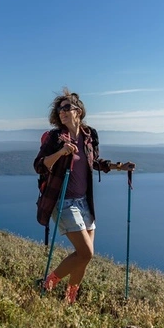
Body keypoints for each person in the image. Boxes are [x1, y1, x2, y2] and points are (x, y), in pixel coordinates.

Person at [34, 88, 134, 303]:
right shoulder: (55, 137)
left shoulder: (89, 135)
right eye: (59, 109)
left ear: (78, 111)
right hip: (63, 202)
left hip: (84, 202)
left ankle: (70, 300)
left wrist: (119, 166)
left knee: (83, 258)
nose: (62, 112)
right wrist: (61, 152)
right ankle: (48, 283)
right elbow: (39, 166)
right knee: (86, 253)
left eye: (66, 107)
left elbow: (93, 162)